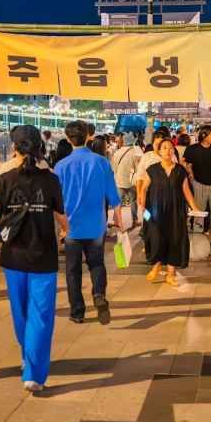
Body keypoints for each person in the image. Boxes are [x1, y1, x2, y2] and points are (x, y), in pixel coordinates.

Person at [0, 125, 69, 393]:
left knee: (20, 312)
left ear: (14, 147)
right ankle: (33, 374)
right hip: (43, 256)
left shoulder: (4, 180)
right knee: (41, 315)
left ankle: (27, 355)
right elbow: (62, 217)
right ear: (39, 146)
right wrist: (65, 231)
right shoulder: (51, 180)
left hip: (13, 257)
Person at [55, 120, 122, 325]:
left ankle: (77, 312)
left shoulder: (61, 166)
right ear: (88, 136)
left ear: (68, 139)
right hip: (95, 226)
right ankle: (99, 294)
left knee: (72, 270)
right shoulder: (101, 162)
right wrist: (119, 221)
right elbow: (113, 197)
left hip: (71, 227)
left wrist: (61, 227)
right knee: (97, 264)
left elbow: (56, 201)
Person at [138, 137, 200, 286]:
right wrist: (142, 205)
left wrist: (194, 207)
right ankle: (157, 265)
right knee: (156, 237)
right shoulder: (152, 169)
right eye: (164, 148)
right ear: (159, 151)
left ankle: (171, 274)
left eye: (171, 148)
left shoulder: (180, 170)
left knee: (175, 239)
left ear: (174, 151)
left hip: (176, 211)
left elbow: (186, 191)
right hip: (154, 211)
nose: (168, 151)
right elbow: (144, 188)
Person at [112, 133, 143, 229]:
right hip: (132, 182)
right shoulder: (135, 152)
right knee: (133, 201)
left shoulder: (117, 152)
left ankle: (116, 221)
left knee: (118, 202)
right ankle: (135, 221)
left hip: (119, 181)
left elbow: (114, 168)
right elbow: (138, 168)